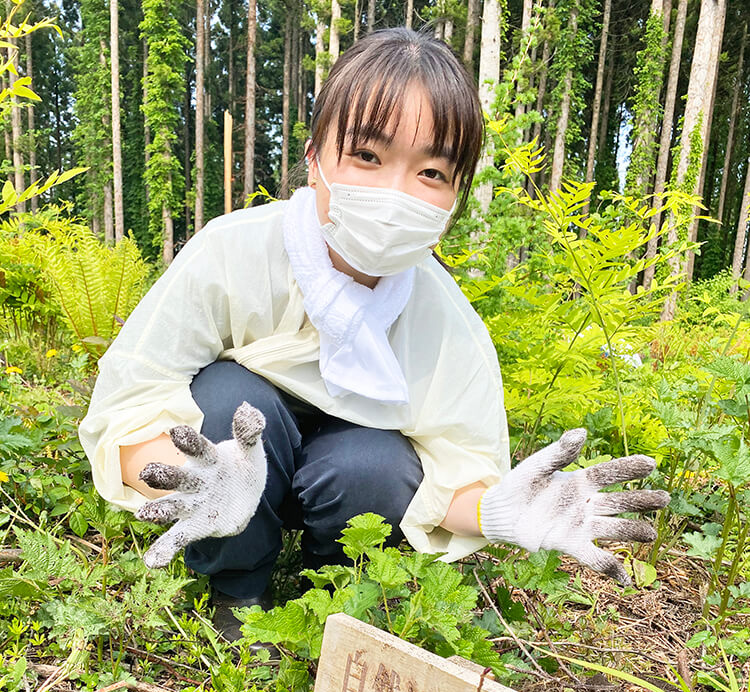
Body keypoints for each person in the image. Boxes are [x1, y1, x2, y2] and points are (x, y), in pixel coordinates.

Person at [79, 27, 668, 639]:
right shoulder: (232, 250)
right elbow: (132, 395)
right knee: (229, 403)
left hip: (345, 476)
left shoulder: (446, 323)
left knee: (379, 464)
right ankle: (237, 591)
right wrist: (196, 478)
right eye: (367, 156)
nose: (394, 191)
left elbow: (459, 462)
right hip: (253, 452)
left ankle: (331, 594)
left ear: (455, 195)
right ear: (314, 159)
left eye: (432, 171)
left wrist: (499, 510)